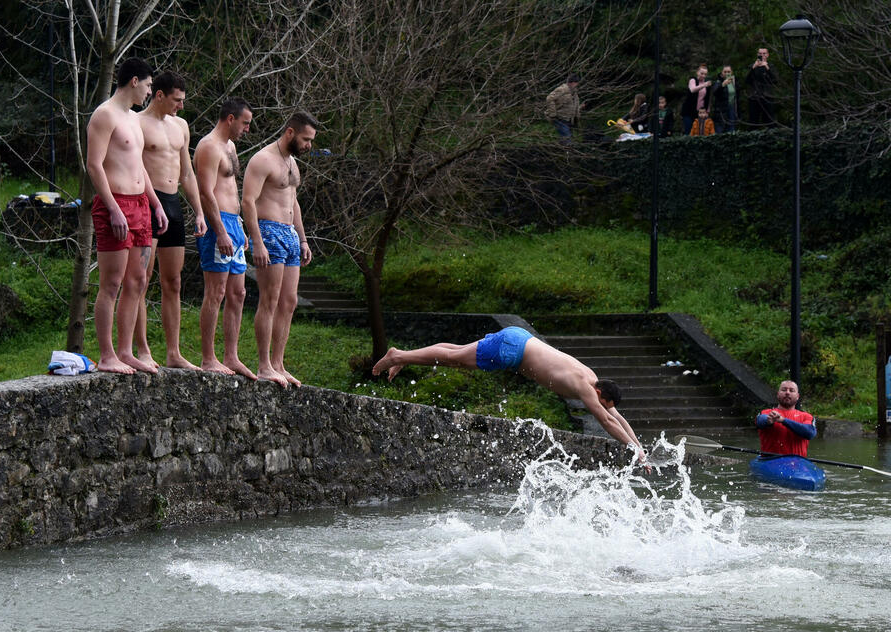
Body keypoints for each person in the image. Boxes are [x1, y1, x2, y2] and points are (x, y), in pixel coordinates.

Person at [372, 326, 646, 461]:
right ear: (599, 392)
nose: (599, 406)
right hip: (513, 352)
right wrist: (632, 449)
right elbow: (607, 422)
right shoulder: (587, 388)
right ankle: (399, 355)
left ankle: (404, 357)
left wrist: (640, 448)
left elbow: (616, 417)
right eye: (601, 402)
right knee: (453, 359)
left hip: (519, 337)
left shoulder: (590, 375)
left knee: (455, 351)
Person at [86, 57, 168, 374]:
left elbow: (139, 166)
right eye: (148, 85)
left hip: (140, 206)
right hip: (115, 205)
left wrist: (156, 204)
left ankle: (125, 351)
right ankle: (107, 355)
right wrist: (113, 208)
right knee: (112, 282)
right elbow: (94, 165)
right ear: (134, 81)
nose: (149, 92)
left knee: (137, 281)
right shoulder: (104, 115)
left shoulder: (133, 119)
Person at [134, 71, 207, 370]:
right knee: (140, 279)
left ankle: (173, 352)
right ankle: (142, 349)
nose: (181, 106)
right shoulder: (137, 123)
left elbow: (187, 172)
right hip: (147, 203)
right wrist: (151, 204)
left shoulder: (181, 126)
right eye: (177, 100)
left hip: (173, 203)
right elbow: (133, 169)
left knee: (173, 281)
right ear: (159, 95)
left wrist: (199, 211)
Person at [241, 112, 317, 387]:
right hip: (269, 231)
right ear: (290, 133)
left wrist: (304, 239)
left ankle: (279, 363)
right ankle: (264, 365)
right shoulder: (262, 160)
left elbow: (293, 202)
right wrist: (257, 240)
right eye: (306, 139)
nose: (309, 145)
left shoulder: (293, 163)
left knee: (289, 301)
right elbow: (248, 201)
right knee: (269, 300)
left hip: (290, 234)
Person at [192, 97, 256, 379]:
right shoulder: (208, 147)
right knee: (215, 292)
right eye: (245, 123)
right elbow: (206, 193)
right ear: (230, 118)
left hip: (234, 223)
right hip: (217, 224)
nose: (247, 130)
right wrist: (219, 231)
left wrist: (240, 228)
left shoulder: (230, 147)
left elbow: (231, 189)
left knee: (238, 293)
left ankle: (231, 356)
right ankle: (209, 358)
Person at [756, 380, 816, 456]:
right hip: (769, 460)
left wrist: (783, 420)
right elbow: (760, 421)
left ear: (797, 396)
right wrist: (768, 420)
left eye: (791, 390)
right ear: (778, 394)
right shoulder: (767, 413)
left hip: (797, 463)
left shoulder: (806, 416)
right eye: (784, 390)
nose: (787, 392)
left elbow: (810, 433)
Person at [746, 47, 777, 128]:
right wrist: (753, 68)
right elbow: (747, 81)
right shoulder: (752, 66)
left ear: (768, 55)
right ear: (757, 54)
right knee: (753, 121)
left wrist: (767, 67)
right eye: (760, 53)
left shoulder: (771, 66)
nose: (762, 55)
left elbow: (775, 80)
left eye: (764, 53)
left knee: (769, 120)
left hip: (768, 97)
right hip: (754, 97)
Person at [546, 74, 582, 142]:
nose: (577, 85)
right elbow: (549, 98)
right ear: (573, 82)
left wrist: (578, 111)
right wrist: (553, 113)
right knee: (567, 137)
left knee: (567, 137)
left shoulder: (574, 92)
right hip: (560, 118)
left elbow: (571, 105)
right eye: (577, 83)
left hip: (568, 119)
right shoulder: (562, 89)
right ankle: (567, 151)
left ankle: (561, 150)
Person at [680, 64, 712, 135]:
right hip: (688, 111)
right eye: (702, 73)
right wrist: (703, 85)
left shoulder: (707, 83)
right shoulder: (693, 80)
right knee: (689, 131)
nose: (703, 76)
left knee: (699, 132)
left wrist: (707, 111)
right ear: (697, 72)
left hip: (700, 112)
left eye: (705, 74)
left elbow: (708, 98)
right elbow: (692, 90)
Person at [710, 65, 740, 133]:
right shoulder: (718, 82)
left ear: (731, 72)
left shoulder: (734, 82)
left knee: (731, 130)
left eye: (728, 71)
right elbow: (715, 92)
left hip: (732, 109)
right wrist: (722, 85)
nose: (727, 73)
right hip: (721, 110)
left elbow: (737, 97)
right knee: (720, 131)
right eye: (725, 72)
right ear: (722, 73)